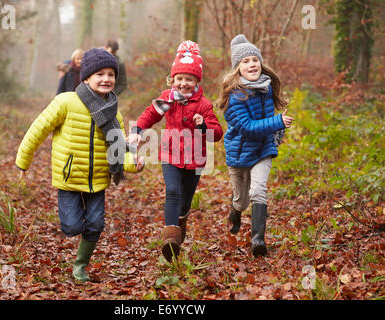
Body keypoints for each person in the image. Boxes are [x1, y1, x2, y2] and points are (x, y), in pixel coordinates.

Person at [16, 48, 144, 282]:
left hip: (98, 180)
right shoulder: (65, 102)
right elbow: (37, 131)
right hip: (69, 178)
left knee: (95, 225)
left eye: (111, 74)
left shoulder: (115, 113)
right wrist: (23, 161)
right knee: (72, 227)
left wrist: (135, 162)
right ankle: (75, 231)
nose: (107, 79)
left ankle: (80, 266)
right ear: (86, 77)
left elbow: (119, 150)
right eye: (100, 74)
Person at [129, 40, 223, 262]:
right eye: (179, 79)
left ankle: (180, 224)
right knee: (172, 190)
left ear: (196, 81)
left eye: (189, 79)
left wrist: (202, 125)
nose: (183, 84)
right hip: (170, 155)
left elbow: (217, 133)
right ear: (173, 79)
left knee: (185, 201)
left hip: (195, 160)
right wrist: (137, 130)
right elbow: (150, 114)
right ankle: (170, 237)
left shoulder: (204, 105)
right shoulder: (168, 98)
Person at [216, 34, 294, 257]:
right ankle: (236, 209)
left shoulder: (267, 87)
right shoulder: (234, 97)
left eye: (255, 60)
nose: (252, 64)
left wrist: (277, 130)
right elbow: (248, 127)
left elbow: (266, 121)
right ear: (237, 68)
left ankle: (258, 239)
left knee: (258, 190)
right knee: (242, 199)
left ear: (261, 63)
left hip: (262, 149)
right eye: (245, 61)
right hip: (239, 154)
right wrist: (277, 122)